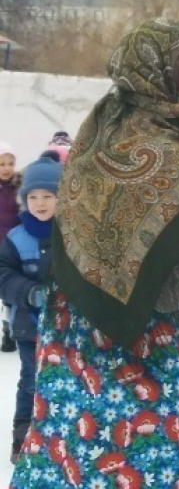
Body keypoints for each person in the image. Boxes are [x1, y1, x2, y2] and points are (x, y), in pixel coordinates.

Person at [10, 19, 179, 488]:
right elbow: (170, 288)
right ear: (166, 74)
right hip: (138, 381)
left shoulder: (103, 134)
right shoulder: (161, 156)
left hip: (80, 368)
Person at [0, 155, 62, 463]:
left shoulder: (72, 236)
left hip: (67, 328)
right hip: (29, 326)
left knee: (65, 381)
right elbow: (4, 274)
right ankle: (22, 438)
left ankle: (61, 437)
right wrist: (29, 292)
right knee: (31, 381)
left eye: (48, 196)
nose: (40, 203)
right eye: (33, 197)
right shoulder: (16, 237)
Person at [0, 141, 21, 353]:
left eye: (10, 163)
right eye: (1, 164)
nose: (6, 168)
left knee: (8, 295)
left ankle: (8, 331)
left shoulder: (19, 187)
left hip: (12, 248)